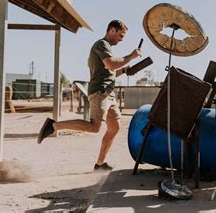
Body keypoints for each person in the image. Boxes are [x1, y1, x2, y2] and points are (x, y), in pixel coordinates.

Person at [37, 20, 141, 171]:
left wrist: (125, 71)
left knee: (115, 127)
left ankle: (100, 164)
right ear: (112, 30)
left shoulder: (107, 49)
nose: (122, 39)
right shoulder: (101, 45)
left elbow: (109, 72)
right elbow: (111, 64)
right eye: (121, 35)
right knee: (94, 127)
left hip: (108, 93)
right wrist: (131, 56)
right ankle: (53, 126)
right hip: (100, 92)